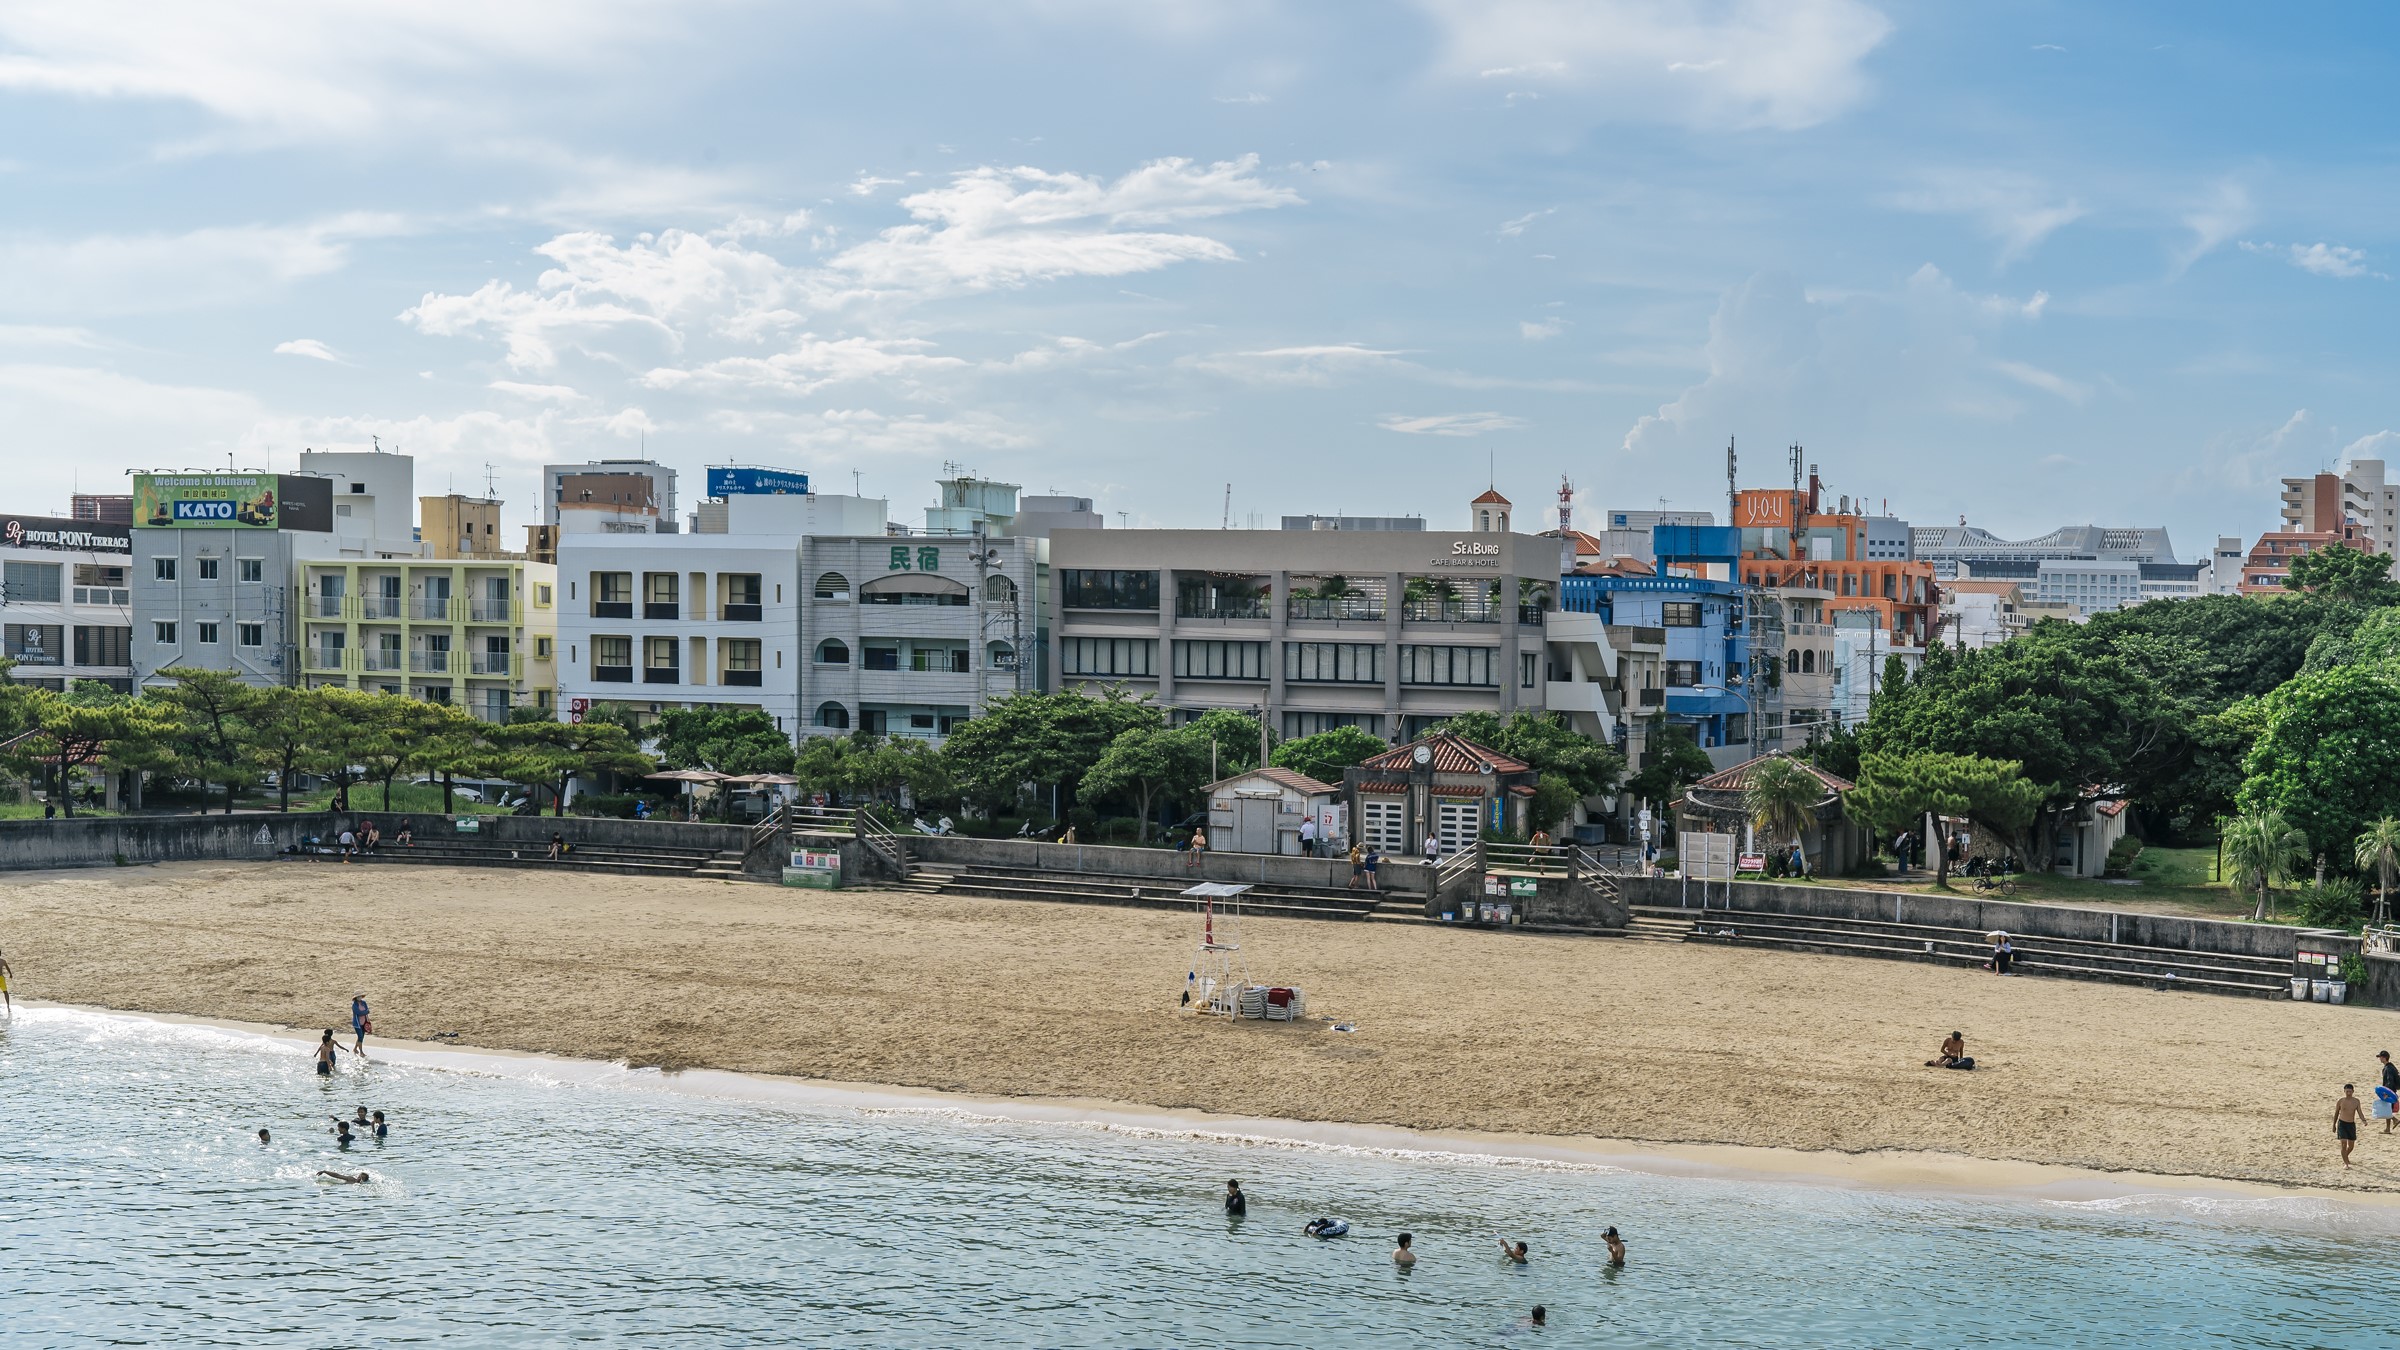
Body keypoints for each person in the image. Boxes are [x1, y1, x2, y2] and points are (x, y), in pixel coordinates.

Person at [2336, 1085, 2365, 1165]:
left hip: (2351, 1124)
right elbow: (2336, 1113)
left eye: (2350, 1091)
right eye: (2347, 1091)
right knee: (2344, 1144)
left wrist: (2363, 1120)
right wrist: (2334, 1125)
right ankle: (2346, 1163)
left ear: (2353, 1091)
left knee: (2351, 1146)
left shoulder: (2356, 1101)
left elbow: (2359, 1112)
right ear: (2344, 1091)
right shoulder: (2341, 1101)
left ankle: (2345, 1156)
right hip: (2342, 1124)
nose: (2348, 1093)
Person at [2380, 1051, 2399, 1134]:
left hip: (2389, 1091)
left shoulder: (2388, 1068)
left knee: (2386, 1109)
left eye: (2380, 1057)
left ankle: (2395, 1120)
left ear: (2384, 1058)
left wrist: (2386, 1092)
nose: (2379, 1059)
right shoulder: (2391, 1067)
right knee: (2388, 1109)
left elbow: (2389, 1081)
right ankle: (2388, 1128)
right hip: (2392, 1090)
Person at [0, 946, 13, 1015]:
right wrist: (10, 974)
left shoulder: (3, 961)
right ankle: (8, 1005)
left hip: (1, 978)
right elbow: (8, 968)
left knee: (5, 992)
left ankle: (8, 1005)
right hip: (1, 978)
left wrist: (10, 974)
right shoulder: (2, 961)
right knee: (5, 992)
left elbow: (7, 968)